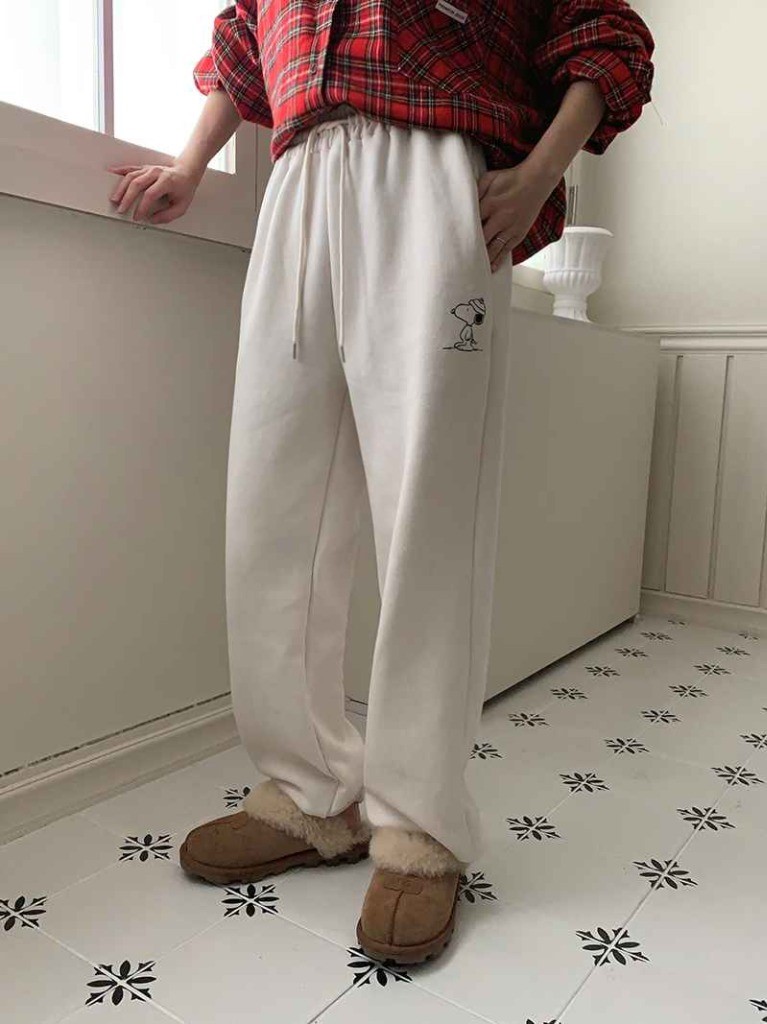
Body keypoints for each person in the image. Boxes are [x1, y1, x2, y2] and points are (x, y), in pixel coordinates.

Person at [107, 0, 655, 966]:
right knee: (272, 501)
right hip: (298, 179)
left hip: (434, 172)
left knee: (426, 511)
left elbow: (604, 35)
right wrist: (189, 167)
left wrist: (538, 177)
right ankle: (308, 792)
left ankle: (419, 825)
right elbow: (242, 45)